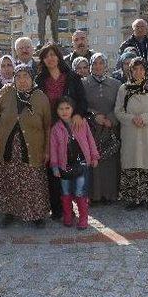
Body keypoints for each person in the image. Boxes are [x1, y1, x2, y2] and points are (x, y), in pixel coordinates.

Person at [0, 64, 51, 228]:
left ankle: (36, 215)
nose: (22, 80)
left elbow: (47, 127)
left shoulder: (41, 97)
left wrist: (47, 150)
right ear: (14, 79)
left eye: (26, 77)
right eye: (18, 77)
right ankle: (9, 213)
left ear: (32, 79)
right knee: (8, 181)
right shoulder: (6, 93)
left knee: (33, 182)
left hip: (32, 148)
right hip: (6, 148)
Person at [35, 43, 88, 219]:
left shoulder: (72, 77)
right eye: (46, 56)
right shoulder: (39, 80)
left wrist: (79, 114)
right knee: (54, 168)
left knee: (71, 166)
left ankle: (75, 206)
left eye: (53, 54)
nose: (50, 58)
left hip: (70, 127)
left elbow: (82, 99)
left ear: (59, 56)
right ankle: (58, 209)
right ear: (42, 60)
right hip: (49, 128)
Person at [115, 57, 148, 211]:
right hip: (131, 132)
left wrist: (144, 118)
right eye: (135, 69)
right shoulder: (124, 88)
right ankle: (132, 199)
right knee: (132, 163)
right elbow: (118, 111)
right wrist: (132, 119)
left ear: (146, 70)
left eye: (141, 69)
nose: (138, 72)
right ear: (130, 70)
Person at [50, 96, 99, 229]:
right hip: (63, 165)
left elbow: (90, 140)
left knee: (80, 192)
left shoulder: (81, 122)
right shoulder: (56, 129)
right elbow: (53, 149)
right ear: (57, 111)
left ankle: (83, 217)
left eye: (67, 108)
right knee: (65, 192)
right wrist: (54, 165)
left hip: (82, 163)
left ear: (73, 109)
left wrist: (94, 156)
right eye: (61, 109)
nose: (64, 111)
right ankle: (68, 215)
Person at [82, 53, 121, 203]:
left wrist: (111, 119)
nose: (98, 66)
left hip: (111, 128)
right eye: (95, 63)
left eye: (101, 63)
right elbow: (81, 105)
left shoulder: (116, 84)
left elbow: (121, 105)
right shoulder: (83, 83)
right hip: (92, 129)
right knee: (94, 162)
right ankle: (94, 195)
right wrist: (94, 115)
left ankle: (110, 194)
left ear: (106, 65)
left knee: (110, 161)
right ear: (90, 66)